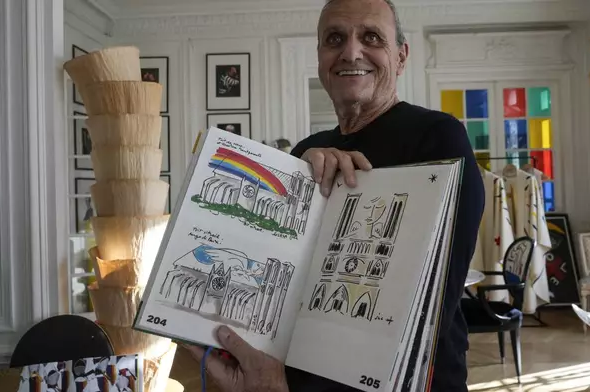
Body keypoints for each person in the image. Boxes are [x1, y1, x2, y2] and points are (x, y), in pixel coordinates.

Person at [185, 0, 485, 391]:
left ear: (401, 56)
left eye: (372, 37)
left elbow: (426, 317)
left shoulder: (437, 136)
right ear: (320, 56)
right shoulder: (305, 151)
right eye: (335, 38)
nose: (351, 51)